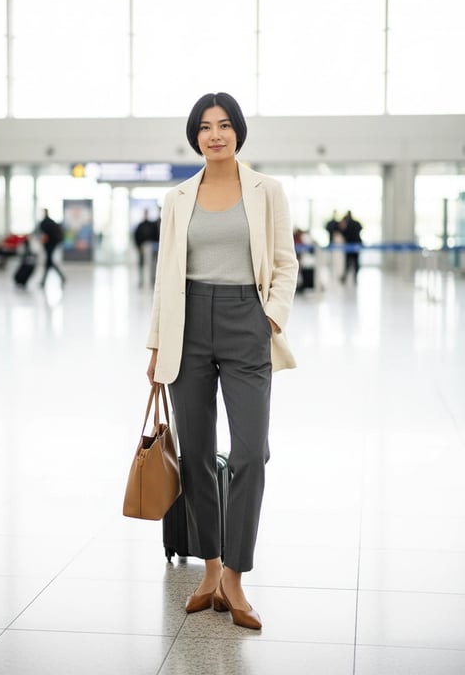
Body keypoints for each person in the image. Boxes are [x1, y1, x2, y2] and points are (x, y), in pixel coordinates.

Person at [146, 92, 298, 630]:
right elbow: (165, 276)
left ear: (238, 133)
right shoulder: (177, 197)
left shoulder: (266, 190)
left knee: (252, 452)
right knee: (197, 456)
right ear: (195, 135)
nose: (215, 134)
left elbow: (285, 262)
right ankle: (209, 571)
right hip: (187, 326)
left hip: (245, 320)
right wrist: (158, 345)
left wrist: (270, 318)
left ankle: (236, 576)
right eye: (206, 127)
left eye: (225, 125)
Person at [38, 208, 65, 287]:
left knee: (49, 262)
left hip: (50, 244)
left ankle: (44, 281)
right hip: (51, 244)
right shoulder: (50, 222)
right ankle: (44, 281)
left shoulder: (46, 223)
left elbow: (44, 235)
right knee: (49, 262)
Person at [133, 209, 160, 287]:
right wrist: (138, 247)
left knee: (152, 265)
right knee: (141, 264)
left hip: (151, 246)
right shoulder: (140, 225)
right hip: (142, 247)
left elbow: (155, 236)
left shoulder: (151, 225)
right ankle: (141, 281)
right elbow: (136, 236)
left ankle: (152, 280)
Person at [339, 210, 363, 283]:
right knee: (356, 261)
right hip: (356, 244)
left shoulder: (346, 224)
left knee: (347, 262)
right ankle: (355, 277)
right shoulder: (356, 223)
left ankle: (346, 278)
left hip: (349, 245)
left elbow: (343, 233)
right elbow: (361, 228)